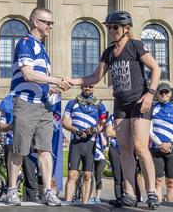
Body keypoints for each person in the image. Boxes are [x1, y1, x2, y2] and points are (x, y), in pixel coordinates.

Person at [68, 11, 161, 209]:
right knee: (124, 150)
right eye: (109, 27)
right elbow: (94, 78)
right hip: (120, 104)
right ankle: (129, 194)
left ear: (126, 28)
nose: (111, 30)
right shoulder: (109, 52)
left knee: (140, 147)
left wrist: (150, 93)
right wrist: (72, 81)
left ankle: (151, 192)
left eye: (115, 27)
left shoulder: (135, 46)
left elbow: (156, 68)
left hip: (139, 101)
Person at [6, 7, 70, 206]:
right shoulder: (26, 43)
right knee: (19, 149)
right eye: (47, 22)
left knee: (45, 149)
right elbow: (28, 74)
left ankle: (48, 191)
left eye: (51, 23)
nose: (50, 26)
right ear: (35, 22)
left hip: (43, 106)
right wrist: (57, 79)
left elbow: (38, 80)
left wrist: (51, 88)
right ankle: (11, 190)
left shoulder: (42, 48)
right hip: (25, 103)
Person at [62, 85, 107, 204]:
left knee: (87, 175)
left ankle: (85, 204)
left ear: (93, 88)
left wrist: (95, 130)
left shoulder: (99, 105)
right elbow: (65, 121)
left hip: (90, 144)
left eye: (90, 86)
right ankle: (67, 203)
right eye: (85, 86)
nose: (88, 88)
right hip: (76, 143)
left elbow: (104, 124)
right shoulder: (72, 103)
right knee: (72, 175)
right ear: (81, 87)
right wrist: (75, 130)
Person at [150, 82, 173, 202]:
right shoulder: (152, 109)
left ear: (170, 94)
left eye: (166, 92)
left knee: (171, 183)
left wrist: (169, 144)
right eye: (161, 92)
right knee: (157, 182)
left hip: (172, 150)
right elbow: (149, 131)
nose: (164, 94)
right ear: (157, 94)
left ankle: (172, 207)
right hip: (156, 149)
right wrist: (160, 144)